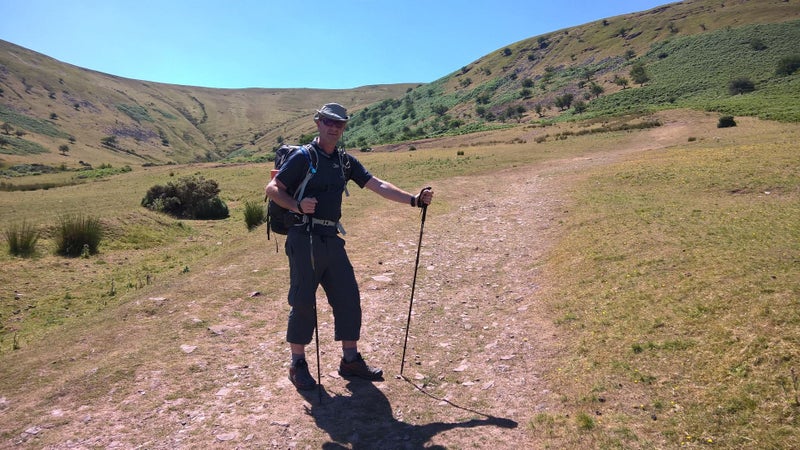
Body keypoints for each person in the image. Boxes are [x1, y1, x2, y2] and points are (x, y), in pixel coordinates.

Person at [265, 102, 434, 391]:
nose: (334, 127)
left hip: (331, 239)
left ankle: (350, 360)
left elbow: (377, 184)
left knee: (348, 297)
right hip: (303, 237)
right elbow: (273, 188)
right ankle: (297, 365)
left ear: (344, 127)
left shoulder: (344, 161)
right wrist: (297, 205)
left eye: (339, 123)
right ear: (318, 122)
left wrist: (413, 200)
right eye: (328, 121)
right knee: (303, 300)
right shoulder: (304, 157)